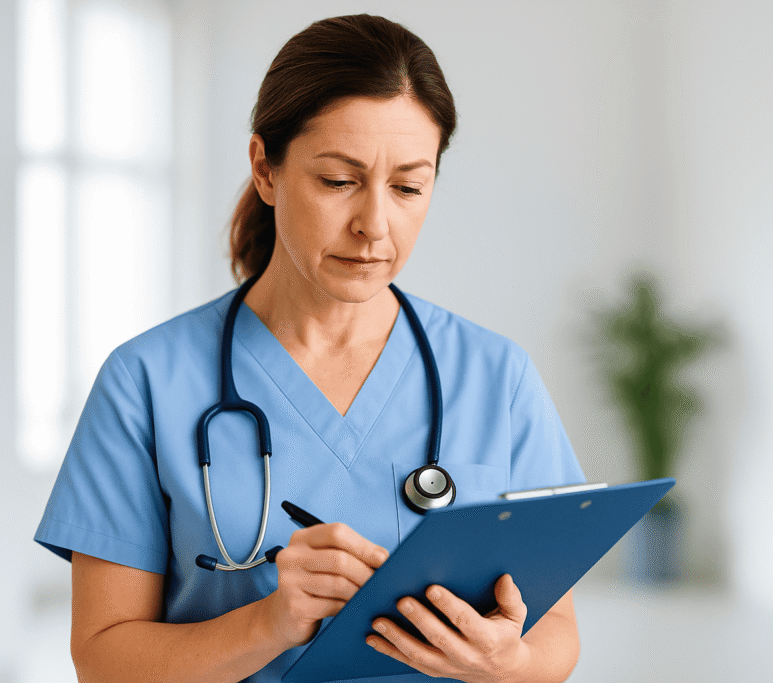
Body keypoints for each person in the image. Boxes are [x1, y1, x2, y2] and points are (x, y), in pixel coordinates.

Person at [34, 14, 585, 683]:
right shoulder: (146, 382)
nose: (374, 224)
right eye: (338, 181)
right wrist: (269, 622)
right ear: (265, 169)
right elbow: (103, 658)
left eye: (408, 186)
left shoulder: (496, 377)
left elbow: (555, 630)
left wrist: (510, 662)